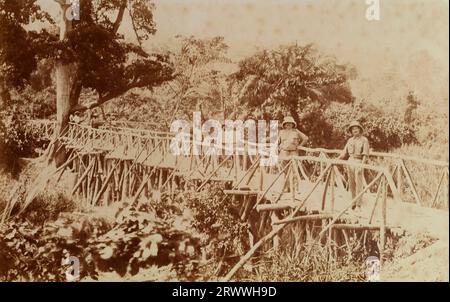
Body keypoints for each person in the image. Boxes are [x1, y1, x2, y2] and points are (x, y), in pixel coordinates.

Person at [338, 120, 370, 210]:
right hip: (350, 161)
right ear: (351, 131)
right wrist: (335, 160)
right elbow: (344, 153)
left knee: (359, 184)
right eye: (353, 129)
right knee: (351, 184)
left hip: (359, 162)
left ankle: (358, 204)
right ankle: (353, 202)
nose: (355, 130)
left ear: (360, 129)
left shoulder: (364, 140)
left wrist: (362, 166)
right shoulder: (350, 140)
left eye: (356, 128)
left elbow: (365, 155)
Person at [278, 116, 309, 192]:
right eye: (287, 123)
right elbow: (277, 141)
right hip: (283, 153)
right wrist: (279, 147)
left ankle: (295, 189)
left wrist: (299, 146)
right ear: (284, 125)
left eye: (290, 123)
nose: (288, 125)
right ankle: (286, 188)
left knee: (294, 171)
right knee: (284, 172)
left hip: (293, 153)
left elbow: (305, 138)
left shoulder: (296, 132)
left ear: (293, 124)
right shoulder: (281, 132)